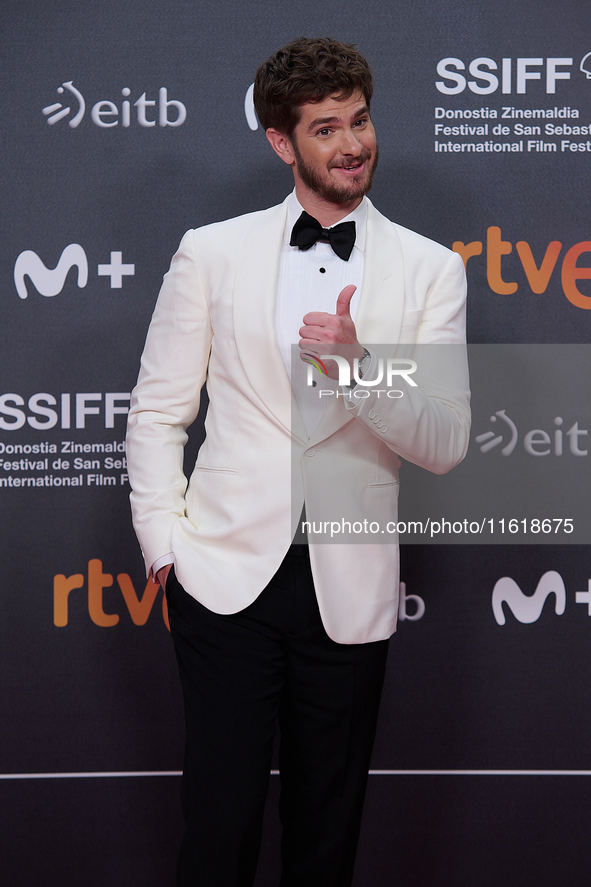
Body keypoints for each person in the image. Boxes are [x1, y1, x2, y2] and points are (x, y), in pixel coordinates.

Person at [126, 36, 470, 887]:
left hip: (347, 585)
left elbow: (445, 443)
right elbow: (159, 410)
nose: (352, 143)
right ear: (282, 142)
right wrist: (164, 546)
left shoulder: (430, 270)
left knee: (326, 829)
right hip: (223, 578)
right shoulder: (212, 251)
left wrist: (361, 371)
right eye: (326, 128)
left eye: (359, 120)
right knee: (220, 820)